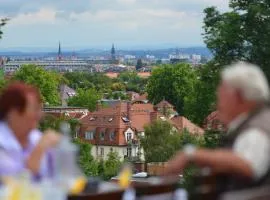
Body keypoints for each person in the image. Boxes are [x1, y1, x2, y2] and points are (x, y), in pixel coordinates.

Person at [164, 62, 270, 191]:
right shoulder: (258, 120)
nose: (217, 103)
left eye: (222, 96)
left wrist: (191, 154)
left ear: (238, 96)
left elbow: (248, 165)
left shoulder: (256, 129)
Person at [0, 82, 61, 180]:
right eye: (35, 109)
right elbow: (14, 185)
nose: (39, 116)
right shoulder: (2, 144)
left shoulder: (36, 138)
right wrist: (39, 150)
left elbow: (60, 180)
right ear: (14, 113)